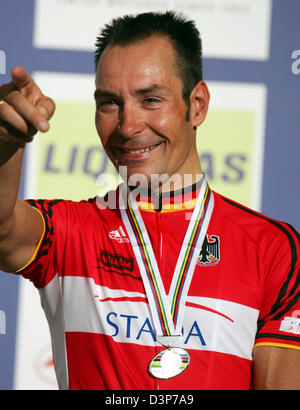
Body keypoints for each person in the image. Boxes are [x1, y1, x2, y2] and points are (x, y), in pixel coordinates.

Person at [0, 11, 299, 390]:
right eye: (109, 103)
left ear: (198, 105)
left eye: (151, 99)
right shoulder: (71, 231)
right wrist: (5, 143)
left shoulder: (273, 249)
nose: (127, 126)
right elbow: (4, 227)